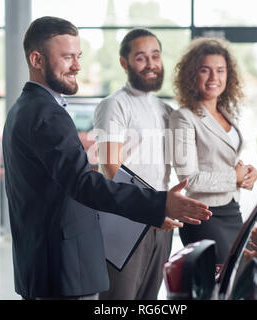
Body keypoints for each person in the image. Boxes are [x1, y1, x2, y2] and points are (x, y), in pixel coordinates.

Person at [2, 16, 212, 300]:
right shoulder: (46, 113)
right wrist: (159, 203)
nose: (77, 65)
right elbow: (84, 184)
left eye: (78, 56)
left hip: (47, 261)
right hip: (62, 265)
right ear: (37, 59)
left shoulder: (27, 107)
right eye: (67, 57)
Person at [93, 29, 175, 300]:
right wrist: (148, 208)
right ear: (124, 63)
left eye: (155, 56)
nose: (151, 64)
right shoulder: (114, 105)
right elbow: (110, 167)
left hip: (160, 221)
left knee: (149, 299)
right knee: (119, 300)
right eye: (141, 58)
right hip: (126, 222)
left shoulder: (165, 110)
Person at [169, 38, 257, 264]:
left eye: (220, 70)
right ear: (192, 75)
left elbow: (224, 159)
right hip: (204, 216)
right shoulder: (183, 118)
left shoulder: (226, 113)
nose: (214, 78)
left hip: (231, 209)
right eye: (205, 70)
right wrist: (233, 178)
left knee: (237, 281)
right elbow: (189, 179)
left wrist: (247, 175)